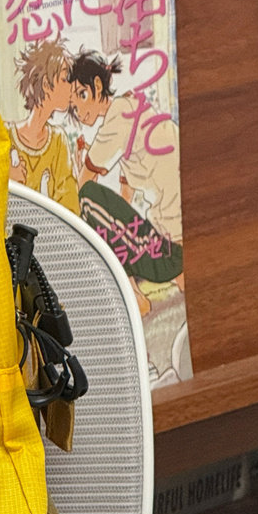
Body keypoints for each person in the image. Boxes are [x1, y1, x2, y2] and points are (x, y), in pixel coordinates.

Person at [68, 50, 183, 317]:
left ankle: (134, 298)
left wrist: (78, 167)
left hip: (169, 252)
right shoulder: (133, 107)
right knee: (105, 216)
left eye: (81, 96)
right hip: (179, 241)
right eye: (73, 108)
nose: (79, 112)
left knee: (88, 198)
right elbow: (125, 198)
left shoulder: (118, 116)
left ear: (97, 87)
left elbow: (85, 184)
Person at [7, 39, 80, 215]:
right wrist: (6, 181)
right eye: (65, 79)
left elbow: (70, 208)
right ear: (46, 85)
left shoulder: (58, 140)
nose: (71, 87)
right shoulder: (5, 135)